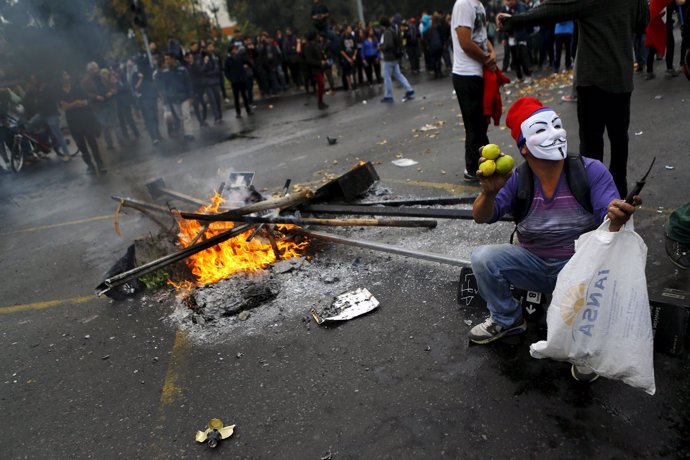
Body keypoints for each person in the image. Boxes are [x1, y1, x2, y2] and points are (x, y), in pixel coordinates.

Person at [469, 97, 640, 381]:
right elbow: (481, 216)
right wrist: (487, 193)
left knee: (604, 268)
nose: (554, 134)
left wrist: (617, 214)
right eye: (540, 129)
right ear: (524, 147)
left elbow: (608, 215)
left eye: (557, 125)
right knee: (483, 258)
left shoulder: (589, 170)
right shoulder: (516, 179)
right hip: (534, 263)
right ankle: (507, 319)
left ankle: (587, 343)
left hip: (580, 267)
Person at [497, 0, 650, 198]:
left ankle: (594, 195)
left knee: (591, 143)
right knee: (620, 139)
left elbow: (553, 10)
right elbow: (643, 21)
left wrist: (514, 20)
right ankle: (618, 195)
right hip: (621, 79)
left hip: (592, 81)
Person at [451, 0, 496, 183]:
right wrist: (486, 58)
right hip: (465, 74)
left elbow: (482, 37)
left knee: (480, 122)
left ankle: (481, 163)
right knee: (475, 124)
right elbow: (465, 41)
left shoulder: (478, 4)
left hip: (478, 72)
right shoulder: (464, 4)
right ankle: (474, 168)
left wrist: (491, 53)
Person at [58, 70, 105, 175]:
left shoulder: (77, 88)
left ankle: (99, 163)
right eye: (64, 75)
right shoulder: (60, 93)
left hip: (85, 120)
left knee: (93, 143)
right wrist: (76, 102)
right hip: (73, 123)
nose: (66, 77)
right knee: (81, 145)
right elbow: (64, 107)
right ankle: (89, 164)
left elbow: (86, 101)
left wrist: (74, 104)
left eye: (67, 74)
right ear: (60, 79)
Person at [156, 53, 194, 141]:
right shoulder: (165, 73)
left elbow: (188, 83)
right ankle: (185, 132)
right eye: (165, 59)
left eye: (168, 59)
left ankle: (189, 133)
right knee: (180, 116)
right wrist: (166, 99)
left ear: (173, 59)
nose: (167, 61)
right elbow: (164, 87)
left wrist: (191, 96)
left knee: (186, 115)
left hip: (184, 96)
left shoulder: (182, 70)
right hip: (173, 98)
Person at [378, 16, 415, 103]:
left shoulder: (387, 32)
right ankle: (409, 89)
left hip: (388, 57)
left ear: (382, 25)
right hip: (395, 56)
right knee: (398, 74)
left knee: (387, 77)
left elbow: (388, 44)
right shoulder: (392, 30)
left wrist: (381, 47)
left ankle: (388, 95)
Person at [224, 44, 253, 118]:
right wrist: (231, 79)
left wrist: (245, 58)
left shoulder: (240, 57)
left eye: (236, 49)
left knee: (244, 96)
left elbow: (249, 62)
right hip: (235, 81)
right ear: (231, 51)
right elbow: (226, 71)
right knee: (236, 97)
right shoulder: (228, 60)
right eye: (234, 49)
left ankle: (248, 110)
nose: (235, 50)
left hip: (242, 79)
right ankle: (238, 112)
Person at [303, 31, 329, 110]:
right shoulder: (308, 47)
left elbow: (320, 54)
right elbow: (309, 60)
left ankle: (321, 101)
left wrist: (323, 59)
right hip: (314, 69)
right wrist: (319, 62)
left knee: (322, 85)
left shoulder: (316, 45)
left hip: (320, 68)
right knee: (321, 84)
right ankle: (319, 102)